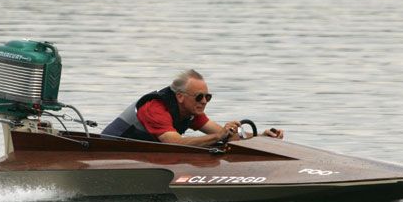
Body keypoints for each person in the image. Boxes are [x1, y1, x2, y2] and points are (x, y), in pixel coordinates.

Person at [102, 69, 284, 146]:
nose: (204, 101)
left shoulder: (190, 112)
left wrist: (261, 137)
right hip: (108, 153)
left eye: (208, 97)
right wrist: (219, 137)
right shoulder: (155, 108)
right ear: (180, 96)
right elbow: (174, 144)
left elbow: (225, 134)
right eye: (199, 97)